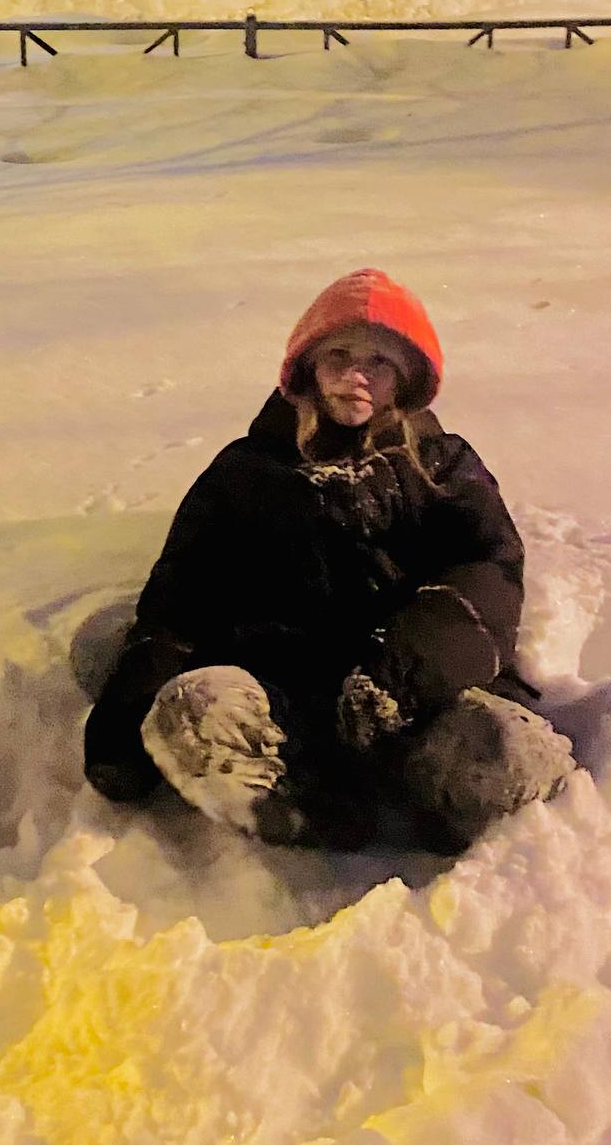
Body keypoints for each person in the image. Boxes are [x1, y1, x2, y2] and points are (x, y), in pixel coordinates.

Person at [83, 269, 574, 852]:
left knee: (508, 749)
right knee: (193, 711)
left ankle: (441, 809)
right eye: (338, 355)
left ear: (406, 379)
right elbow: (182, 600)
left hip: (416, 703)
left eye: (379, 361)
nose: (354, 375)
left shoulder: (441, 467)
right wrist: (125, 720)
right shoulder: (247, 472)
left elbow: (488, 570)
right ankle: (308, 812)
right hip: (285, 709)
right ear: (307, 367)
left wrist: (402, 675)